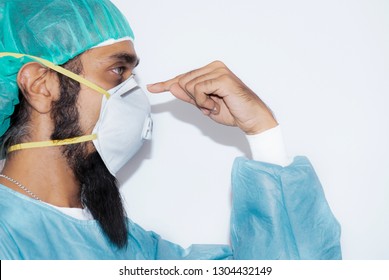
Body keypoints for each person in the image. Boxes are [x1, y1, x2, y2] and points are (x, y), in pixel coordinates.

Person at [0, 0, 341, 260]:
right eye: (118, 70)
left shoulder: (130, 245)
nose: (134, 93)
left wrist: (262, 132)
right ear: (42, 87)